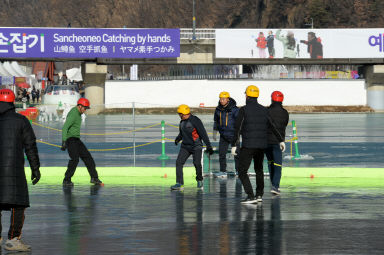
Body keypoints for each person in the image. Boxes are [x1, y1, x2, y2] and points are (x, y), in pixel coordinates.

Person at [0, 89, 40, 252]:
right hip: (15, 171)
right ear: (12, 103)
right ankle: (13, 239)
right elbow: (30, 146)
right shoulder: (21, 121)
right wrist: (35, 169)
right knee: (18, 204)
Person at [231, 85, 285, 204]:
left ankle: (250, 196)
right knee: (258, 169)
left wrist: (234, 144)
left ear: (248, 96)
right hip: (261, 146)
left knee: (242, 170)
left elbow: (237, 128)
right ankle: (259, 194)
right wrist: (280, 140)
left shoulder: (243, 110)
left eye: (246, 94)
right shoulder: (264, 110)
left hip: (249, 145)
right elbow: (272, 126)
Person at [171, 104, 214, 191]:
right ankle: (179, 183)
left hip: (196, 146)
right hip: (185, 146)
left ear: (183, 113)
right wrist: (178, 139)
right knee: (179, 162)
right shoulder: (182, 122)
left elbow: (203, 133)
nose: (179, 116)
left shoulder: (195, 120)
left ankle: (199, 180)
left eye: (180, 114)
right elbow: (182, 133)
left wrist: (208, 145)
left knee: (197, 163)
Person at [61, 98, 102, 186]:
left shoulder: (79, 113)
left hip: (76, 139)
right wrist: (64, 141)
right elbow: (65, 127)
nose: (85, 110)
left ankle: (94, 178)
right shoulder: (73, 114)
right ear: (80, 106)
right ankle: (66, 179)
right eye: (85, 108)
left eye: (86, 108)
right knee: (74, 159)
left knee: (88, 158)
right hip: (70, 140)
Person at [265, 91, 289, 195]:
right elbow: (285, 125)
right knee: (278, 164)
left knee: (270, 163)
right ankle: (275, 186)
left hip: (266, 141)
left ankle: (272, 184)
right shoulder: (284, 113)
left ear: (272, 99)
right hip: (278, 142)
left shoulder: (267, 111)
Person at [213, 91, 239, 178]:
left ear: (228, 99)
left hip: (233, 135)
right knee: (222, 153)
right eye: (220, 99)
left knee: (236, 153)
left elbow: (239, 123)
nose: (221, 101)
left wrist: (238, 134)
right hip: (223, 135)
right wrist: (215, 131)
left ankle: (238, 171)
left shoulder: (234, 109)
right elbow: (216, 121)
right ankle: (223, 171)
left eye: (223, 99)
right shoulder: (218, 109)